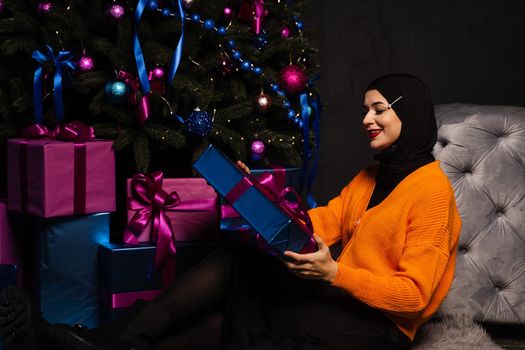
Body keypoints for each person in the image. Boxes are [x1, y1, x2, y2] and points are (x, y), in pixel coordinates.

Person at [0, 73, 461, 350]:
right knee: (236, 267)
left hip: (378, 330)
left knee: (241, 323)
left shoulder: (432, 193)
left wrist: (336, 275)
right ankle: (101, 343)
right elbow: (323, 223)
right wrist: (256, 194)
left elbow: (414, 296)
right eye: (365, 110)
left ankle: (90, 343)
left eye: (379, 110)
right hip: (339, 299)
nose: (367, 120)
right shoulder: (370, 177)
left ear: (411, 115)